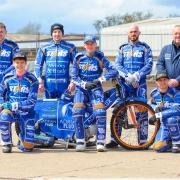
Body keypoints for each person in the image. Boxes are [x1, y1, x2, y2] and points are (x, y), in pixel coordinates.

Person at [106, 24, 153, 148]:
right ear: (128, 34)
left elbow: (149, 65)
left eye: (135, 32)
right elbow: (118, 65)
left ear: (139, 33)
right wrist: (127, 76)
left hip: (139, 84)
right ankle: (114, 139)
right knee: (118, 109)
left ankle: (143, 141)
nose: (133, 34)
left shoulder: (145, 48)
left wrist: (137, 75)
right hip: (125, 84)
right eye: (131, 32)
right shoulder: (122, 48)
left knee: (141, 111)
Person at [72, 35, 117, 152]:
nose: (90, 45)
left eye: (92, 43)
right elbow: (74, 76)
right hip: (81, 89)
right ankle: (80, 140)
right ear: (84, 45)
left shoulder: (100, 57)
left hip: (96, 88)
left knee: (100, 111)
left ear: (95, 45)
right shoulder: (78, 57)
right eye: (87, 44)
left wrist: (100, 80)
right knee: (77, 110)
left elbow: (114, 70)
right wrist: (83, 84)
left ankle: (100, 141)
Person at [0, 52, 38, 153]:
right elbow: (0, 94)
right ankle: (7, 143)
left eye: (22, 62)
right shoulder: (7, 78)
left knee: (28, 148)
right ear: (13, 63)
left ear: (26, 63)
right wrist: (2, 105)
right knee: (4, 116)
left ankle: (22, 137)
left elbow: (32, 101)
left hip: (26, 112)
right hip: (11, 111)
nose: (19, 65)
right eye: (17, 62)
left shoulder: (32, 79)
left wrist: (14, 105)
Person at [34, 23, 77, 98]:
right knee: (49, 108)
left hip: (65, 85)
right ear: (51, 34)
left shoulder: (70, 47)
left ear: (62, 33)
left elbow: (76, 65)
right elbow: (38, 66)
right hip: (49, 86)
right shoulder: (44, 48)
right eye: (54, 32)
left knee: (65, 107)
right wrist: (39, 82)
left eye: (59, 32)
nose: (57, 34)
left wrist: (73, 82)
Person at [150, 73, 180, 153]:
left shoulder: (176, 92)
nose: (162, 82)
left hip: (177, 121)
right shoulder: (154, 93)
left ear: (168, 81)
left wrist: (159, 115)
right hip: (164, 124)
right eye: (160, 80)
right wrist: (155, 108)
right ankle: (170, 142)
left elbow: (177, 109)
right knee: (158, 147)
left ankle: (177, 143)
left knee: (171, 120)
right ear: (156, 82)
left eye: (165, 80)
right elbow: (152, 105)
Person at [156, 25, 180, 90]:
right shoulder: (165, 49)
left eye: (179, 33)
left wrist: (178, 80)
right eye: (176, 33)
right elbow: (160, 64)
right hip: (167, 87)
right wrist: (164, 78)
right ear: (172, 35)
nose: (178, 35)